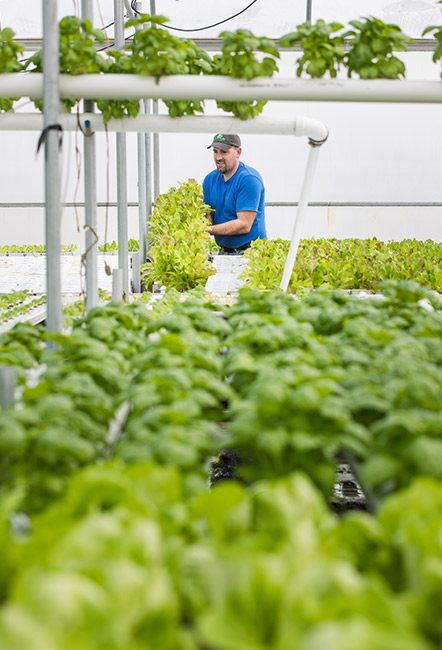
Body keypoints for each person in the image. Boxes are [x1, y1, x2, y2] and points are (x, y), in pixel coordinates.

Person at [203, 133, 267, 255]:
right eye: (215, 151)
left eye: (224, 152)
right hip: (224, 251)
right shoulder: (209, 180)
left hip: (250, 253)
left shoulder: (249, 179)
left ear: (238, 152)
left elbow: (244, 225)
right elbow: (208, 217)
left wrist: (206, 230)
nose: (218, 157)